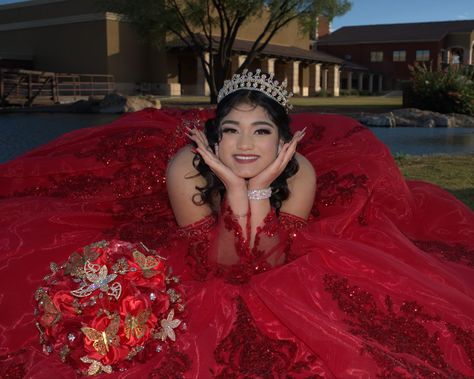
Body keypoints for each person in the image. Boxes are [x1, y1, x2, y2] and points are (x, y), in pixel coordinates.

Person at [0, 69, 473, 378]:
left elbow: (267, 262)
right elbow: (222, 264)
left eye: (262, 131)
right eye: (231, 130)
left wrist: (261, 187)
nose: (245, 145)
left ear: (284, 140)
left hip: (258, 229)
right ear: (214, 134)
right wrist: (230, 185)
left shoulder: (299, 171)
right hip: (200, 239)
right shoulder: (187, 166)